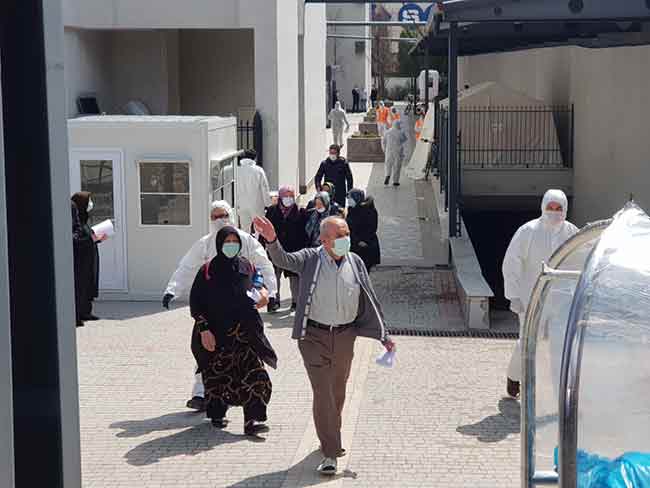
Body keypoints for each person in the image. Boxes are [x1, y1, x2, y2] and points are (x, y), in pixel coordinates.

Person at [254, 215, 395, 476]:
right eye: (339, 236)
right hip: (313, 338)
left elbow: (370, 297)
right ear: (324, 239)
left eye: (347, 233)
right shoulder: (310, 258)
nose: (345, 239)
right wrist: (272, 240)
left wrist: (383, 334)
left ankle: (327, 435)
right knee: (323, 392)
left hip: (345, 336)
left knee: (337, 392)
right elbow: (284, 260)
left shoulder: (356, 261)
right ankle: (331, 452)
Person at [162, 200, 277, 411]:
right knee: (206, 352)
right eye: (215, 216)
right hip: (213, 312)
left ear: (231, 215)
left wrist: (270, 291)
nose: (219, 219)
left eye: (223, 215)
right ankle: (200, 395)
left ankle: (248, 407)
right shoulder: (205, 244)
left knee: (245, 359)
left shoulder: (245, 241)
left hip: (241, 314)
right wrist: (172, 289)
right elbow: (187, 267)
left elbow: (262, 265)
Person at [190, 226, 276, 435]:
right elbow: (196, 304)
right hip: (218, 337)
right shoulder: (207, 271)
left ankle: (253, 419)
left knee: (257, 376)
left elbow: (259, 284)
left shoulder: (247, 266)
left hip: (246, 335)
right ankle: (217, 413)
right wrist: (204, 331)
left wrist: (264, 294)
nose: (231, 246)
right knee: (218, 378)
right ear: (219, 244)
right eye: (227, 242)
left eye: (234, 241)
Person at [502, 189, 578, 398]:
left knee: (559, 344)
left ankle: (559, 393)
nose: (554, 212)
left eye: (559, 208)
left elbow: (581, 260)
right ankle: (514, 377)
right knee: (527, 341)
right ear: (543, 207)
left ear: (565, 209)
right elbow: (511, 262)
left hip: (561, 298)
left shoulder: (572, 232)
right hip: (531, 296)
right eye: (550, 207)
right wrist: (514, 295)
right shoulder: (528, 231)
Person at [263, 185, 308, 312]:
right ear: (280, 197)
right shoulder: (272, 211)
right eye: (286, 196)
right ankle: (274, 301)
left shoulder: (300, 211)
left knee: (294, 277)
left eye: (291, 196)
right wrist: (264, 244)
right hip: (275, 247)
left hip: (294, 249)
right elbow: (266, 229)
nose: (288, 199)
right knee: (274, 276)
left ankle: (295, 302)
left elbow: (305, 232)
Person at [71, 192, 106, 327]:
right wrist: (91, 238)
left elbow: (86, 237)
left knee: (87, 285)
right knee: (79, 287)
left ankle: (85, 312)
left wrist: (97, 239)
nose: (90, 204)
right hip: (80, 260)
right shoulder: (75, 219)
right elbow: (76, 240)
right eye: (88, 201)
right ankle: (77, 315)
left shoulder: (84, 219)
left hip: (88, 258)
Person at [232, 149, 271, 233]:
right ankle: (258, 244)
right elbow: (264, 187)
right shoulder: (258, 170)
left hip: (241, 204)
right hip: (257, 204)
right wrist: (268, 203)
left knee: (244, 229)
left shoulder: (237, 171)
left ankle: (246, 245)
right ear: (254, 158)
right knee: (259, 229)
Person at [346, 189, 380, 271]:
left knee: (363, 271)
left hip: (365, 246)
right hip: (354, 245)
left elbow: (372, 229)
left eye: (350, 198)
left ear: (356, 199)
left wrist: (362, 241)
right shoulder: (351, 209)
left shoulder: (369, 211)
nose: (348, 200)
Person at [383, 120, 408, 187]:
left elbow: (383, 141)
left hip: (389, 151)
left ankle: (387, 175)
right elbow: (404, 139)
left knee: (388, 164)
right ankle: (395, 181)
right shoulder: (401, 132)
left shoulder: (387, 132)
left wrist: (385, 149)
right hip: (398, 151)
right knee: (397, 166)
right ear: (398, 125)